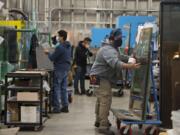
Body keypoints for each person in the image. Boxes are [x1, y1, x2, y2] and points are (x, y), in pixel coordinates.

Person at [90, 28, 140, 135]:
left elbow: (120, 57)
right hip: (100, 77)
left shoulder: (111, 48)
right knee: (105, 100)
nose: (121, 40)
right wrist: (130, 66)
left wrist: (130, 58)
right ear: (112, 39)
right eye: (119, 38)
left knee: (100, 99)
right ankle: (103, 126)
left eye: (122, 38)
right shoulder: (108, 50)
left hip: (96, 76)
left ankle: (98, 121)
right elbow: (116, 63)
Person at [44, 30, 71, 113]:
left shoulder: (60, 47)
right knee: (63, 88)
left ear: (62, 37)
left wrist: (47, 53)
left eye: (58, 36)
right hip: (66, 69)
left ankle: (56, 108)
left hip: (59, 69)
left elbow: (52, 58)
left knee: (56, 88)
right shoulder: (68, 46)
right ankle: (65, 106)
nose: (57, 37)